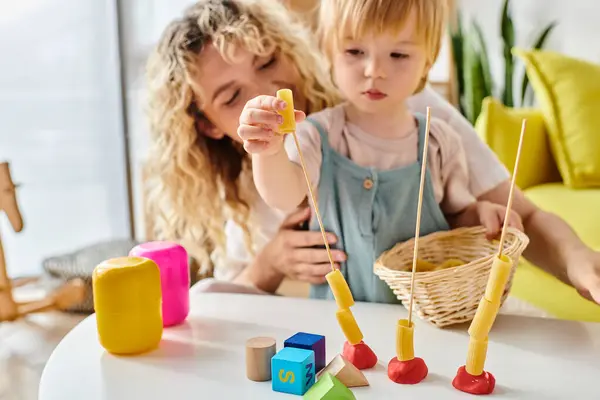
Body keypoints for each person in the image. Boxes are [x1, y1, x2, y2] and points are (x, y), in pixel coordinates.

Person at [144, 0, 600, 305]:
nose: (270, 91)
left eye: (268, 63)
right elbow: (222, 307)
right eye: (231, 97)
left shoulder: (410, 113)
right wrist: (268, 265)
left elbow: (517, 217)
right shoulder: (246, 187)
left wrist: (578, 260)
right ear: (205, 125)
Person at [237, 0, 521, 303]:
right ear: (329, 51)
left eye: (398, 54)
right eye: (355, 52)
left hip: (425, 321)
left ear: (428, 61)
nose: (374, 71)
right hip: (343, 322)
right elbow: (284, 195)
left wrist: (481, 214)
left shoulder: (438, 141)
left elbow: (456, 216)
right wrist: (268, 152)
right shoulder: (318, 136)